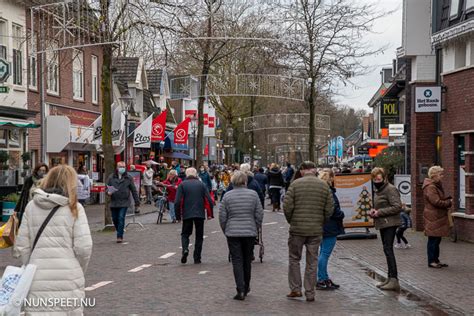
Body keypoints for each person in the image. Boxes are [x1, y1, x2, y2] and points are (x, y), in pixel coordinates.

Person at [14, 165, 93, 315]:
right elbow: (84, 247)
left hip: (37, 276)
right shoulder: (74, 208)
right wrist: (78, 268)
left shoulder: (31, 207)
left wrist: (31, 265)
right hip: (68, 276)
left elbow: (22, 246)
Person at [283, 161, 333, 302]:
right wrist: (322, 221)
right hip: (315, 230)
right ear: (314, 170)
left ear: (303, 170)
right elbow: (329, 208)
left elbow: (287, 206)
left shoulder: (295, 185)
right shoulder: (324, 186)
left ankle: (295, 289)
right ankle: (310, 292)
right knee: (312, 262)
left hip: (297, 229)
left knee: (294, 259)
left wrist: (291, 221)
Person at [219, 171, 264, 301]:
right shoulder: (253, 195)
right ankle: (246, 285)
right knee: (247, 259)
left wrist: (226, 229)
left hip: (232, 232)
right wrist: (255, 227)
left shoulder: (227, 196)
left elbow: (222, 216)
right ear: (245, 181)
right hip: (249, 231)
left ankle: (240, 289)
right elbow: (259, 214)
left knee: (237, 260)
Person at [369, 167, 402, 291]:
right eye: (374, 179)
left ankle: (394, 280)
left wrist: (379, 212)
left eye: (378, 178)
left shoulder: (390, 189)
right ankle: (390, 278)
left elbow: (397, 206)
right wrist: (374, 211)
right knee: (386, 249)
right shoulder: (380, 190)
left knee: (388, 250)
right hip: (384, 223)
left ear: (384, 178)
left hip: (390, 223)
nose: (376, 181)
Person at [175, 167, 214, 264]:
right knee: (199, 236)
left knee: (185, 234)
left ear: (187, 174)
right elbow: (209, 200)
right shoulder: (201, 184)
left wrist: (178, 217)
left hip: (187, 213)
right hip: (200, 214)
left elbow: (177, 202)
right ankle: (197, 257)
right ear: (196, 174)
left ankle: (185, 249)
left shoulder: (182, 184)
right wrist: (210, 214)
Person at [316, 168, 345, 290]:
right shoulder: (329, 192)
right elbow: (333, 209)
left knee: (323, 252)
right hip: (330, 226)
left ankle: (324, 277)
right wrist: (341, 214)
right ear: (331, 179)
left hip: (321, 225)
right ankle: (321, 279)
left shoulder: (318, 192)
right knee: (325, 254)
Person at [423, 166, 452, 269]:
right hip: (433, 217)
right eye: (440, 174)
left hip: (436, 217)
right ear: (434, 175)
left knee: (436, 239)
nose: (442, 176)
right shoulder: (431, 187)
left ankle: (436, 260)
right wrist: (448, 202)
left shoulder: (435, 185)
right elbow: (436, 202)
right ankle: (432, 261)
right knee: (433, 240)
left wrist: (446, 199)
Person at [107, 161, 140, 243]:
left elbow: (133, 190)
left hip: (124, 201)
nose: (122, 168)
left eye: (123, 166)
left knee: (121, 218)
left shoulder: (128, 177)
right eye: (120, 166)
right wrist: (108, 192)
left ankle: (119, 236)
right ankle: (120, 229)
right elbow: (107, 187)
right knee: (115, 219)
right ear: (117, 168)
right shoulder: (111, 177)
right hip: (114, 201)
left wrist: (137, 202)